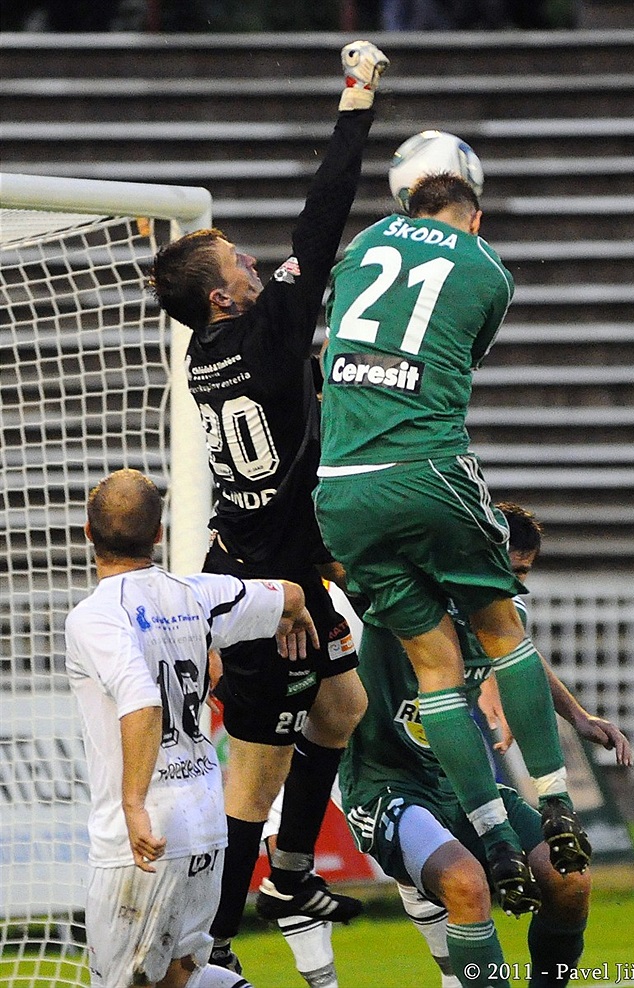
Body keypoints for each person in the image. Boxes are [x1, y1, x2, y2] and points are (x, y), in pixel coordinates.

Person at [149, 40, 389, 977]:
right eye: (239, 260)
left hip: (276, 566)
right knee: (253, 774)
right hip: (261, 590)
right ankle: (212, 947)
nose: (258, 262)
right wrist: (356, 103)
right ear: (222, 294)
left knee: (343, 709)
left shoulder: (206, 354)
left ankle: (291, 875)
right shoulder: (266, 329)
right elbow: (322, 218)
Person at [313, 166, 592, 906]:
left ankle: (497, 838)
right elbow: (455, 359)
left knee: (435, 671)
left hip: (340, 487)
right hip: (423, 467)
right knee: (504, 633)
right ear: (474, 217)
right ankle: (556, 803)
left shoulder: (363, 241)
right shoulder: (486, 268)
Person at [262, 503, 631, 988]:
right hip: (387, 786)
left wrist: (577, 715)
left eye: (524, 573)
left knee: (570, 879)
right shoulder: (395, 592)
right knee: (466, 885)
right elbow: (320, 557)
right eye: (510, 570)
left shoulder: (505, 609)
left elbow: (521, 655)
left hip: (464, 782)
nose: (516, 585)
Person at [64, 468, 319, 988]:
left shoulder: (94, 618)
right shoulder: (196, 594)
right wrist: (293, 615)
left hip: (143, 837)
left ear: (87, 533)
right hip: (205, 824)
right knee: (182, 975)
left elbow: (140, 699)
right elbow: (288, 594)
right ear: (158, 535)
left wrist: (133, 803)